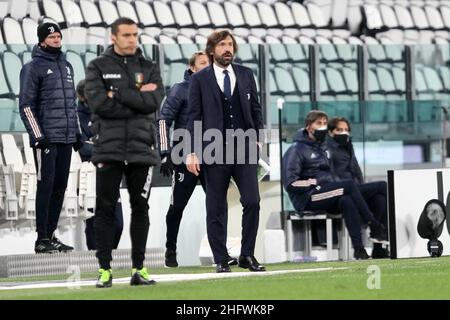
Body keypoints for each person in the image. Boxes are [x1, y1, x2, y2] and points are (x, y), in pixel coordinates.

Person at [85, 17, 164, 288]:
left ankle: (138, 269)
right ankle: (104, 270)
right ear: (113, 37)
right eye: (127, 35)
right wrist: (137, 96)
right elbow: (98, 104)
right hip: (108, 148)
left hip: (142, 149)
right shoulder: (97, 66)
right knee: (105, 209)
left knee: (140, 208)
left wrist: (117, 93)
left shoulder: (149, 67)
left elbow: (153, 102)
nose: (132, 39)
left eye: (135, 35)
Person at [186, 30, 266, 273]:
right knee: (216, 206)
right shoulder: (200, 79)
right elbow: (193, 117)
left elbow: (256, 109)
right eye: (222, 45)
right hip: (213, 149)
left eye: (230, 44)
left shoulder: (245, 74)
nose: (228, 49)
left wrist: (259, 139)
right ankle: (221, 258)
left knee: (252, 201)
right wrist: (191, 151)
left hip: (244, 148)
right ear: (212, 50)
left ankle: (247, 255)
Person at [158, 51, 238, 268]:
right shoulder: (180, 89)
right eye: (203, 63)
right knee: (178, 206)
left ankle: (220, 253)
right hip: (185, 156)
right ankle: (170, 249)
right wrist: (166, 153)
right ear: (192, 68)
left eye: (209, 63)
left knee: (217, 205)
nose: (207, 66)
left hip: (212, 155)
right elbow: (163, 120)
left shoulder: (218, 89)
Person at [282, 110, 388, 260]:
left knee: (350, 200)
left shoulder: (322, 148)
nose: (322, 127)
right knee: (352, 186)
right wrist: (309, 183)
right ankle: (374, 226)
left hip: (326, 191)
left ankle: (360, 250)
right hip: (308, 197)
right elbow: (289, 183)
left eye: (325, 123)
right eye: (319, 123)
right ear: (309, 127)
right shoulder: (296, 150)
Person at [19, 22, 83, 254]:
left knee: (60, 187)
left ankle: (52, 234)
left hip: (65, 138)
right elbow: (26, 105)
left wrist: (76, 134)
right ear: (42, 40)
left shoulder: (67, 67)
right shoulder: (32, 68)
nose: (56, 40)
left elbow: (71, 106)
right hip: (45, 140)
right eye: (52, 37)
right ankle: (41, 238)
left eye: (58, 36)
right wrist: (38, 136)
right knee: (44, 186)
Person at [327, 117, 390, 258]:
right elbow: (329, 174)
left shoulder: (349, 146)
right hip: (340, 190)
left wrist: (360, 189)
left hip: (355, 189)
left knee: (379, 198)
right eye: (339, 130)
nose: (343, 133)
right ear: (331, 132)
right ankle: (366, 242)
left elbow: (356, 170)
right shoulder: (327, 148)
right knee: (382, 186)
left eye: (346, 130)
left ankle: (378, 247)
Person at [76, 80, 123, 251]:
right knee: (94, 222)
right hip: (89, 177)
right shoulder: (77, 117)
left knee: (117, 224)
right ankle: (97, 260)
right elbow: (81, 146)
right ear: (82, 97)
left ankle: (109, 255)